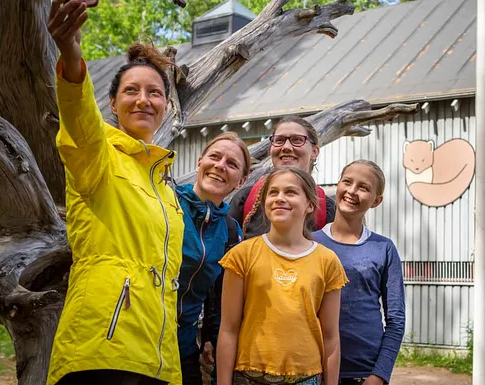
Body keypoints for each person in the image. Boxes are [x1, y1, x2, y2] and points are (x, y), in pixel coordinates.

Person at [46, 1, 184, 384]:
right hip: (101, 349)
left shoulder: (166, 190)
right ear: (113, 103)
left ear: (167, 106)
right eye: (132, 91)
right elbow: (79, 119)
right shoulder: (97, 155)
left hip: (156, 357)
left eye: (155, 93)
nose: (144, 99)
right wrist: (71, 50)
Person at [216, 166, 348, 385]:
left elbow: (331, 337)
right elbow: (229, 329)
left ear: (310, 205)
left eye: (290, 192)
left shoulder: (327, 261)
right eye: (273, 192)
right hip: (249, 376)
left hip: (306, 377)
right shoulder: (242, 255)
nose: (279, 198)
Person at [313, 160, 406, 385]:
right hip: (313, 370)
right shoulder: (310, 244)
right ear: (337, 185)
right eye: (347, 182)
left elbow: (396, 319)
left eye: (363, 187)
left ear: (376, 201)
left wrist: (379, 375)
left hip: (364, 373)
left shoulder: (383, 248)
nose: (352, 191)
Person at [175, 132, 252, 385]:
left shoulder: (231, 231)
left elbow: (221, 300)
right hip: (139, 340)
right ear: (199, 162)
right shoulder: (166, 204)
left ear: (241, 181)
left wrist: (212, 342)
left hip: (184, 346)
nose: (220, 166)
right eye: (215, 157)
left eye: (231, 164)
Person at [229, 116, 335, 238]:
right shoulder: (245, 199)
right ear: (270, 149)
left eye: (297, 140)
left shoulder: (327, 208)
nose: (286, 147)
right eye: (279, 140)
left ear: (314, 151)